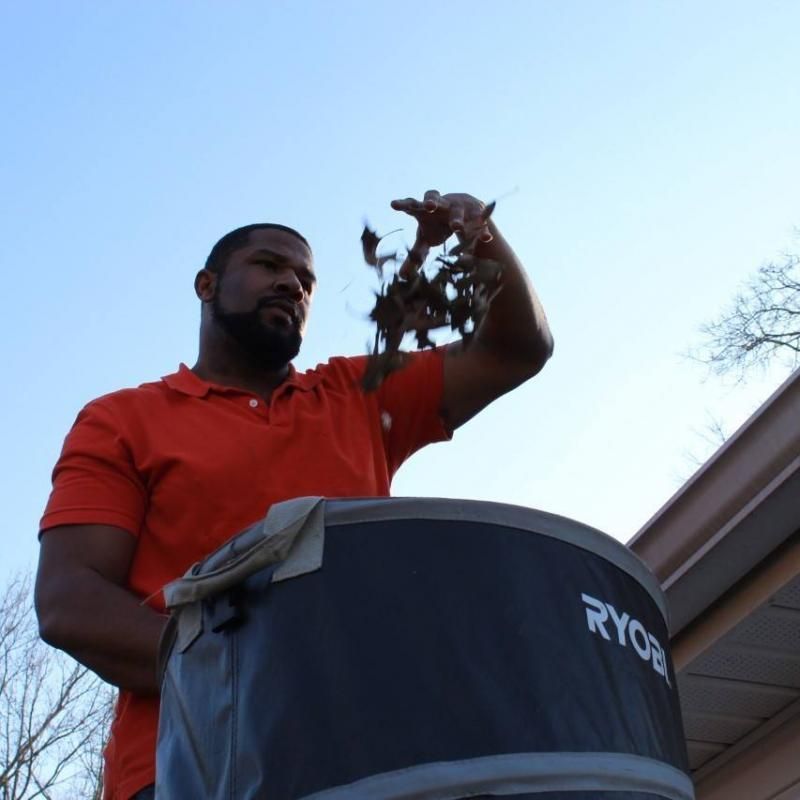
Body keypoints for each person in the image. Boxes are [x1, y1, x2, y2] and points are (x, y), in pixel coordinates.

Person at [35, 190, 554, 800]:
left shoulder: (360, 394)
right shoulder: (122, 419)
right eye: (269, 266)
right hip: (181, 769)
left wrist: (480, 236)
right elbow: (70, 601)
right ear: (206, 285)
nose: (293, 285)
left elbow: (518, 349)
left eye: (306, 279)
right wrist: (251, 674)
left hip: (367, 761)